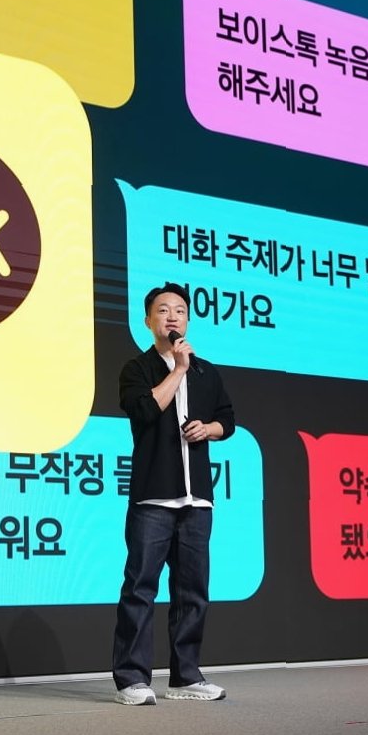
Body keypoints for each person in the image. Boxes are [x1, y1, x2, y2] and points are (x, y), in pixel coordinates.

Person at [111, 282, 236, 705]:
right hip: (153, 497)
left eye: (180, 310)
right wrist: (178, 369)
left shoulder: (207, 372)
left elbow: (227, 420)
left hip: (197, 499)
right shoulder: (138, 369)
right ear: (148, 321)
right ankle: (131, 679)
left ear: (188, 320)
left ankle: (185, 677)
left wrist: (209, 429)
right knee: (140, 588)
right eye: (163, 310)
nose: (172, 317)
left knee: (192, 592)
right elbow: (145, 409)